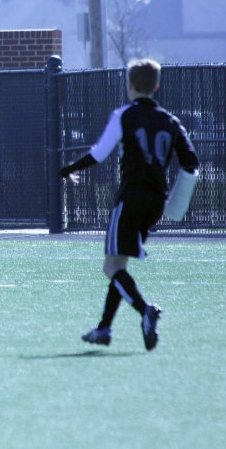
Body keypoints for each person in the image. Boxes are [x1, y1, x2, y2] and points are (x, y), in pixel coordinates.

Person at [59, 58, 199, 351]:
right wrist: (177, 201)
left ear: (130, 86)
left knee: (111, 267)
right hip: (156, 201)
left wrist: (67, 169)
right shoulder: (171, 121)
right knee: (119, 263)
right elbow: (191, 163)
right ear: (156, 86)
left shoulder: (124, 115)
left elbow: (99, 154)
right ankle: (104, 329)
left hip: (131, 197)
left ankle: (145, 310)